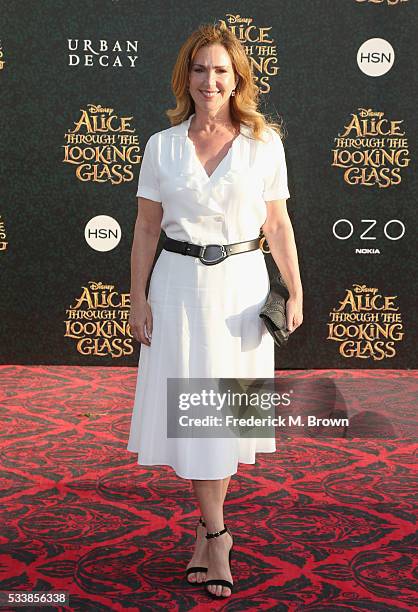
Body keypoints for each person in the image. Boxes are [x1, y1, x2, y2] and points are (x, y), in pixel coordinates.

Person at [127, 23, 303, 599]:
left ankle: (211, 533)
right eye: (200, 69)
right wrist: (136, 297)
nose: (210, 80)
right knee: (196, 412)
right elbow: (147, 228)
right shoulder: (162, 144)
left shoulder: (263, 143)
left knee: (222, 416)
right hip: (177, 289)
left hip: (242, 291)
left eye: (221, 70)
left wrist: (295, 290)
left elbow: (277, 224)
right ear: (188, 77)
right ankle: (217, 533)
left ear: (238, 79)